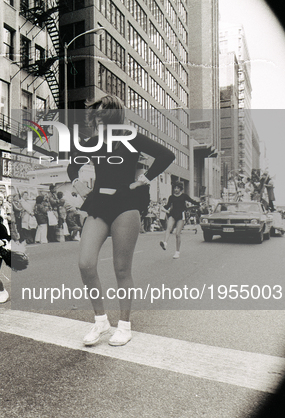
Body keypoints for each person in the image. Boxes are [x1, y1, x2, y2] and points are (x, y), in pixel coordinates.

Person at [67, 96, 175, 346]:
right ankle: (101, 321)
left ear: (115, 114)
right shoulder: (91, 142)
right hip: (98, 203)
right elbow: (73, 166)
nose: (98, 115)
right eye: (96, 112)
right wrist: (77, 184)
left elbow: (166, 155)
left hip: (126, 205)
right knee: (85, 263)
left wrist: (144, 179)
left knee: (122, 269)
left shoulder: (131, 137)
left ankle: (124, 326)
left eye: (104, 110)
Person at [160, 181, 199, 259]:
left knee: (177, 234)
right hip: (173, 214)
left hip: (181, 216)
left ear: (181, 189)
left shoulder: (184, 196)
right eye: (175, 188)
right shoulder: (171, 197)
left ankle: (177, 252)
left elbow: (192, 201)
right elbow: (167, 206)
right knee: (168, 228)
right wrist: (163, 208)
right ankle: (165, 243)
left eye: (177, 188)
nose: (176, 189)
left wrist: (198, 204)